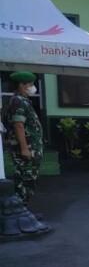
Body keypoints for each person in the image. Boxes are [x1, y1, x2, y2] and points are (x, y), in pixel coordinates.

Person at [3, 71, 44, 206]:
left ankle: (23, 209)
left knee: (29, 180)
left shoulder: (23, 101)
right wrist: (24, 148)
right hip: (27, 150)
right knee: (24, 180)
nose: (33, 87)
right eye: (30, 84)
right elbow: (18, 125)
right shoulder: (18, 101)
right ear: (21, 85)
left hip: (32, 148)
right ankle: (19, 210)